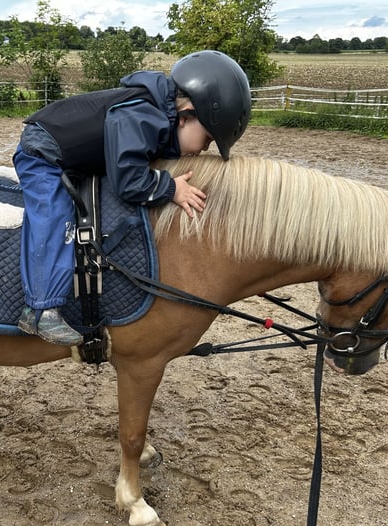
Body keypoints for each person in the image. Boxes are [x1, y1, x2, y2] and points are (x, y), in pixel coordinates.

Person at [13, 50, 252, 346]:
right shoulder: (140, 115)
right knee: (54, 215)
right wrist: (170, 188)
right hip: (43, 152)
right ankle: (39, 309)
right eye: (208, 139)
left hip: (73, 152)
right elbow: (128, 179)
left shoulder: (158, 115)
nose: (204, 149)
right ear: (186, 114)